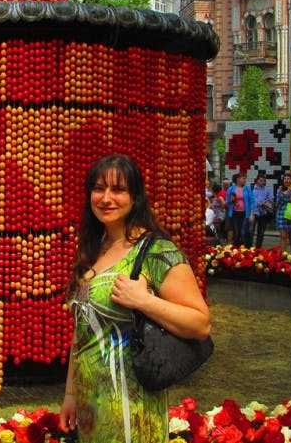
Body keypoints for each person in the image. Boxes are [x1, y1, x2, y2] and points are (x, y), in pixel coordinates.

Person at [59, 155, 211, 442]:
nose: (106, 198)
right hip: (92, 405)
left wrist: (144, 301)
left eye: (118, 189)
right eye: (98, 188)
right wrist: (70, 394)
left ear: (135, 197)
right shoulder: (94, 250)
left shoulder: (155, 251)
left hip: (133, 409)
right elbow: (81, 336)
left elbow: (201, 324)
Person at [225, 172, 255, 247]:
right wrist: (230, 200)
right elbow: (227, 203)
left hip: (245, 213)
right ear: (238, 179)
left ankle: (246, 248)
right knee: (237, 232)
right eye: (243, 178)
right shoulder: (231, 189)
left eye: (245, 178)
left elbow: (252, 201)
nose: (245, 180)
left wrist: (251, 214)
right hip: (235, 213)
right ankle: (237, 249)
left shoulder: (247, 188)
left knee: (243, 232)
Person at [251, 174, 274, 248]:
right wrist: (258, 203)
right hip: (254, 212)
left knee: (261, 232)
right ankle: (249, 246)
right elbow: (251, 199)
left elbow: (271, 200)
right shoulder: (252, 188)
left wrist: (265, 202)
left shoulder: (267, 189)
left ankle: (258, 247)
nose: (262, 182)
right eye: (261, 180)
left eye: (264, 181)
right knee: (250, 230)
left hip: (263, 212)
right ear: (257, 181)